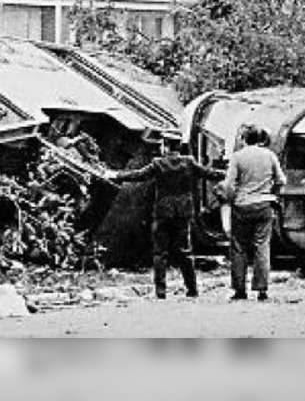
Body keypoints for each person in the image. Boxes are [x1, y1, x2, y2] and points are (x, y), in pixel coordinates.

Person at [108, 135, 224, 299]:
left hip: (162, 212)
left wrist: (117, 175)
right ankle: (192, 289)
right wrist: (229, 173)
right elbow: (209, 173)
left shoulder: (158, 163)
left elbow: (139, 175)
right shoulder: (189, 162)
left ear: (165, 146)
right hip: (183, 212)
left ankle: (161, 291)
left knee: (160, 253)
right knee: (185, 251)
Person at [220, 123, 285, 301]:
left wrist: (231, 200)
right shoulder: (270, 156)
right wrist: (272, 193)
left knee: (239, 248)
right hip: (264, 206)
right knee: (262, 246)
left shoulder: (237, 157)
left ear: (244, 139)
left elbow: (229, 184)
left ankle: (240, 290)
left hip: (242, 206)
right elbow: (281, 179)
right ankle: (262, 289)